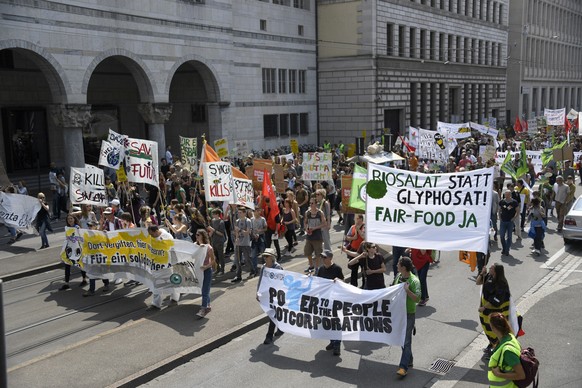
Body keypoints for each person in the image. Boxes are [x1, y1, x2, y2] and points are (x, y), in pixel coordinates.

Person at [476, 263, 511, 357]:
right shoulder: (489, 276)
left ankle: (496, 349)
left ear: (495, 271)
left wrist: (484, 307)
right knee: (488, 328)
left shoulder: (501, 283)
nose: (489, 269)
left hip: (496, 311)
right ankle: (492, 343)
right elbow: (478, 282)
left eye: (491, 268)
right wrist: (482, 274)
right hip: (487, 312)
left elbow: (496, 300)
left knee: (496, 329)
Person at [393, 256, 421, 377]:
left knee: (406, 340)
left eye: (398, 264)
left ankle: (403, 368)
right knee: (402, 339)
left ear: (403, 267)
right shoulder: (398, 277)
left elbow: (417, 298)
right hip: (399, 313)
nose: (396, 266)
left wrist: (408, 291)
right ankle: (409, 359)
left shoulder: (414, 281)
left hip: (409, 314)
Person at [315, 249, 344, 356]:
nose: (323, 259)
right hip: (324, 301)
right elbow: (317, 283)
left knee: (336, 323)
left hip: (335, 301)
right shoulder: (321, 269)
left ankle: (337, 345)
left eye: (325, 257)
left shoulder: (337, 268)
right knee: (328, 323)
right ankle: (332, 341)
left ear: (330, 258)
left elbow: (343, 282)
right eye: (322, 257)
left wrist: (338, 280)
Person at [487, 312, 526, 387]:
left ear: (493, 328)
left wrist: (498, 374)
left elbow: (521, 375)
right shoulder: (509, 336)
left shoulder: (507, 351)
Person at [147, 225, 180, 309]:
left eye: (152, 234)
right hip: (156, 265)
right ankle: (156, 303)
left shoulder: (167, 236)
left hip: (167, 265)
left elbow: (173, 249)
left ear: (156, 231)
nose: (151, 236)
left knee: (172, 281)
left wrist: (175, 262)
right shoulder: (151, 237)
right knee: (156, 283)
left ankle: (174, 299)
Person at [257, 248, 284, 345]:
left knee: (272, 314)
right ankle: (281, 328)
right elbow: (260, 280)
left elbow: (281, 282)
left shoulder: (277, 268)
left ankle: (269, 336)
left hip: (276, 295)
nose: (265, 258)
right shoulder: (263, 267)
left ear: (272, 257)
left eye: (267, 256)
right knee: (273, 313)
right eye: (264, 256)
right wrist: (258, 292)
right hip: (267, 294)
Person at [59, 214, 88, 290]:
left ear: (74, 219)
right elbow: (66, 239)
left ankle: (84, 279)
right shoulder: (67, 228)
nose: (70, 220)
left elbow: (82, 238)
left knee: (81, 265)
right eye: (68, 219)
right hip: (69, 250)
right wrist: (63, 250)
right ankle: (66, 283)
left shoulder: (77, 228)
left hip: (78, 250)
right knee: (67, 266)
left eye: (71, 218)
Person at [195, 229, 215, 318]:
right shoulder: (195, 245)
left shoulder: (208, 247)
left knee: (205, 291)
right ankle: (208, 305)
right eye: (196, 234)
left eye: (198, 235)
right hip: (199, 270)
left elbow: (213, 260)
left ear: (203, 236)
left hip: (206, 271)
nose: (197, 236)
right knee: (204, 289)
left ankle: (203, 309)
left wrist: (206, 267)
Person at [303, 196, 325, 273]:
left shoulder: (320, 213)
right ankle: (311, 265)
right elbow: (305, 222)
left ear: (316, 204)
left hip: (317, 236)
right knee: (307, 251)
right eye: (310, 203)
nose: (311, 204)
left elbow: (324, 223)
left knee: (318, 253)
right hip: (309, 235)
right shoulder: (307, 213)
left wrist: (315, 228)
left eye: (312, 203)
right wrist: (306, 228)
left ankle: (317, 267)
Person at [231, 208, 253, 283]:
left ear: (244, 213)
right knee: (237, 260)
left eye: (240, 213)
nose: (239, 214)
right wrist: (236, 238)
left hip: (246, 243)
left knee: (247, 259)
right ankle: (238, 275)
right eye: (238, 213)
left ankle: (252, 271)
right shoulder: (237, 221)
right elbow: (236, 231)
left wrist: (240, 230)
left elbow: (247, 233)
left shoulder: (248, 221)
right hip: (239, 244)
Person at [344, 214, 365, 287]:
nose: (356, 220)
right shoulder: (352, 227)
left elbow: (363, 236)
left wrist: (358, 229)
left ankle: (364, 285)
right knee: (354, 270)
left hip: (362, 252)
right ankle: (353, 286)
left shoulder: (364, 227)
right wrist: (353, 238)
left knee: (364, 270)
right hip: (354, 251)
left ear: (361, 219)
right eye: (355, 218)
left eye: (357, 218)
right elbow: (347, 237)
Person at [499, 190, 519, 256]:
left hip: (510, 221)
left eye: (507, 194)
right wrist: (499, 217)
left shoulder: (514, 202)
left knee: (509, 236)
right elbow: (499, 210)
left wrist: (514, 218)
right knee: (502, 236)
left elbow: (517, 211)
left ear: (510, 195)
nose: (506, 195)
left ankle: (507, 249)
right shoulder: (502, 202)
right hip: (503, 221)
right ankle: (504, 248)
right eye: (505, 194)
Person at [208, 209, 227, 275]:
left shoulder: (221, 222)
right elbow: (211, 230)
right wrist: (210, 233)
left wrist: (213, 230)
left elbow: (221, 233)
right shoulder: (212, 221)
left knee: (220, 256)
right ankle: (217, 269)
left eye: (213, 214)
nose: (212, 215)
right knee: (215, 256)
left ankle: (222, 269)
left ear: (217, 214)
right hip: (214, 241)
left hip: (219, 241)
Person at [249, 208, 267, 278]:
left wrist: (260, 230)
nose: (255, 212)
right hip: (254, 238)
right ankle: (255, 270)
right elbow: (250, 229)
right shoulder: (251, 219)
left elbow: (266, 228)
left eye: (256, 211)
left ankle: (266, 267)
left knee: (263, 252)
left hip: (261, 237)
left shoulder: (262, 219)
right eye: (254, 211)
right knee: (253, 255)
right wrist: (253, 235)